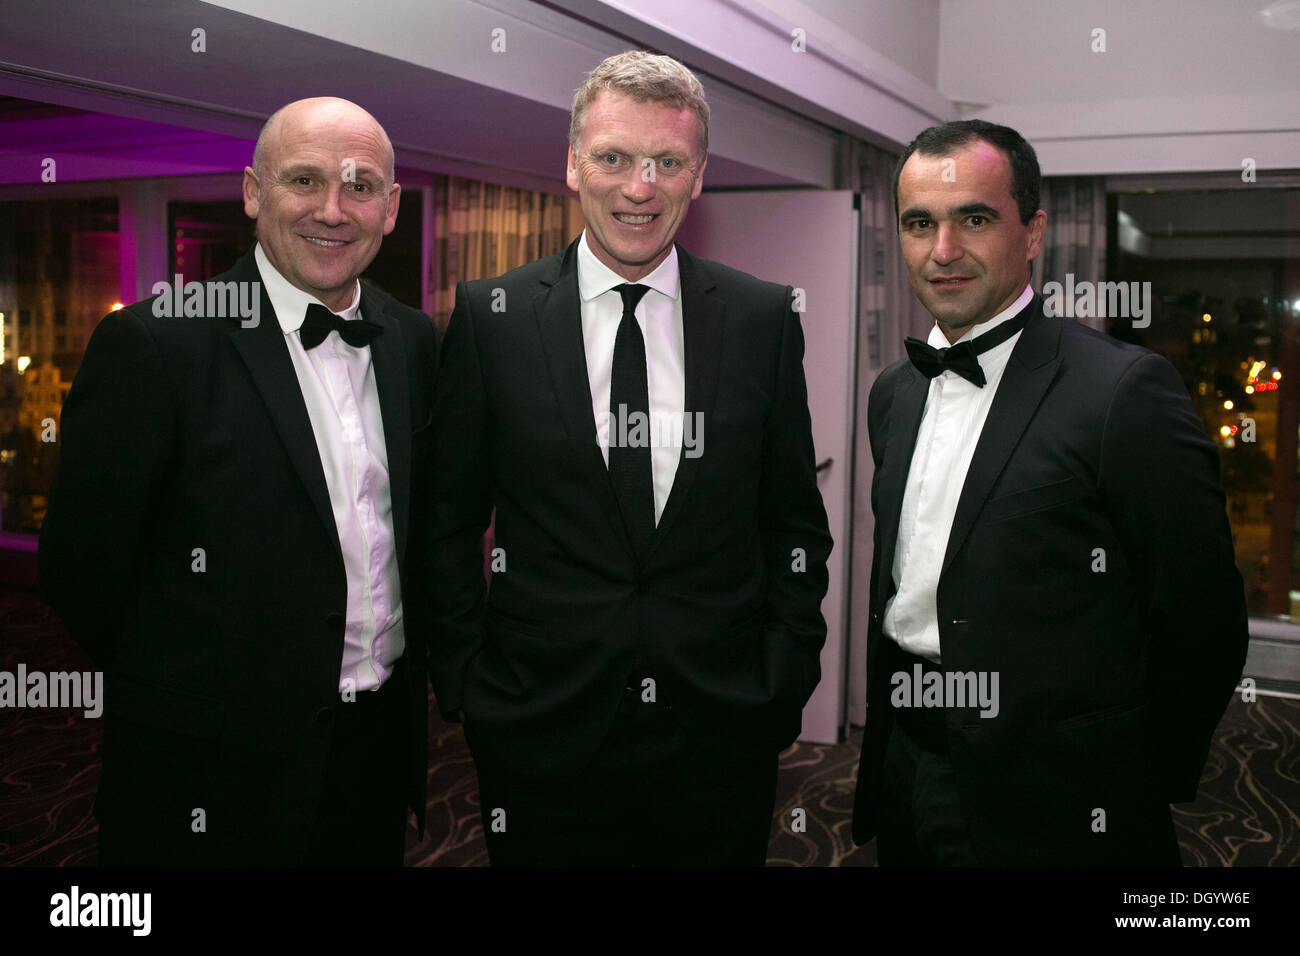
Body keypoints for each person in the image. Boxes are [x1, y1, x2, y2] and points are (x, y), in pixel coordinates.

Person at [427, 51, 832, 866]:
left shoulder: (760, 318)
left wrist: (782, 675)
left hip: (720, 732)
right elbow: (446, 521)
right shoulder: (492, 317)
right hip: (540, 731)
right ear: (572, 165)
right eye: (613, 157)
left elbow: (791, 518)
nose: (639, 187)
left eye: (667, 162)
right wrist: (470, 682)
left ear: (698, 175)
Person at [39, 97, 438, 866]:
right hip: (214, 771)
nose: (332, 210)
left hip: (374, 754)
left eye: (359, 187)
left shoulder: (412, 338)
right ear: (254, 193)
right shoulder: (153, 345)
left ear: (390, 209)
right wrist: (194, 693)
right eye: (304, 181)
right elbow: (81, 574)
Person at [851, 119, 1248, 865]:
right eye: (918, 223)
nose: (943, 250)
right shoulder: (893, 393)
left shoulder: (1122, 392)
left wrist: (1133, 780)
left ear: (1033, 233)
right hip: (908, 759)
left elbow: (1202, 620)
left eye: (974, 218)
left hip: (1058, 796)